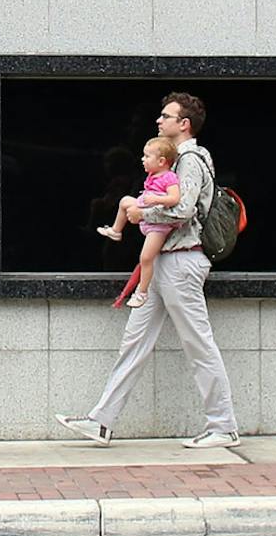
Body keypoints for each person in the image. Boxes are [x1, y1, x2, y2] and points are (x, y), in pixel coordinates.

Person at [55, 93, 241, 449]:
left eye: (166, 116)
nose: (159, 120)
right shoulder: (181, 160)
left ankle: (223, 426)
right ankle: (101, 420)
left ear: (184, 124)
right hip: (164, 263)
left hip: (181, 261)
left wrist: (143, 213)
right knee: (135, 340)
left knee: (198, 343)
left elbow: (184, 210)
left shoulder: (190, 159)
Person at [95, 136, 184, 308]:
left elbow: (175, 198)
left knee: (146, 258)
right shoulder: (152, 175)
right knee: (125, 201)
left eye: (147, 156)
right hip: (145, 213)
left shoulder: (169, 177)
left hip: (158, 226)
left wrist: (157, 199)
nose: (143, 159)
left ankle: (142, 292)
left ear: (161, 161)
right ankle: (116, 230)